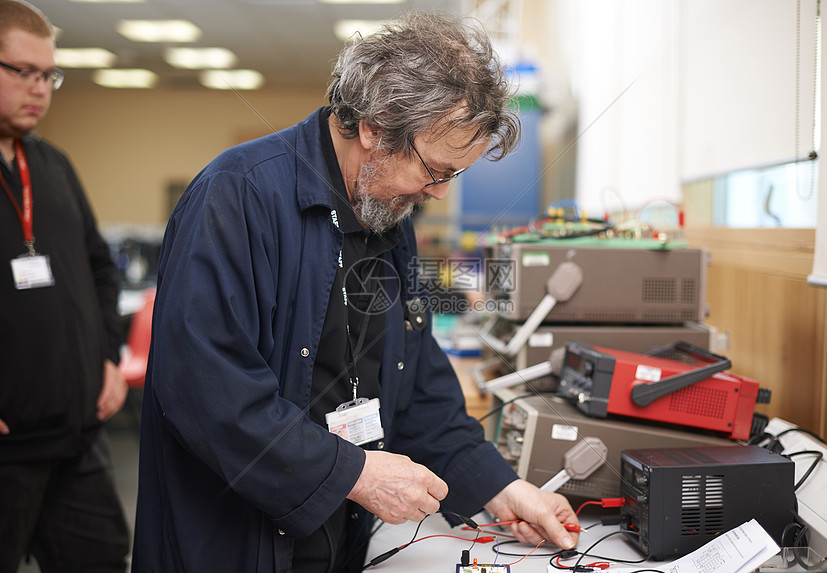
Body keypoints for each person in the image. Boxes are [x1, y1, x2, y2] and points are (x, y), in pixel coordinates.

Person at [132, 12, 579, 572]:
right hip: (232, 536)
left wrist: (502, 489)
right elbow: (205, 389)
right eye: (435, 171)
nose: (436, 194)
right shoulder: (238, 196)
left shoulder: (390, 213)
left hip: (338, 528)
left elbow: (416, 384)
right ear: (375, 126)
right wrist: (355, 473)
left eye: (451, 177)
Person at [0, 1, 131, 572]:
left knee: (104, 557)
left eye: (47, 75)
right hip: (8, 448)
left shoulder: (51, 166)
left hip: (78, 433)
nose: (39, 89)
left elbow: (101, 270)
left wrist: (106, 356)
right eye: (21, 71)